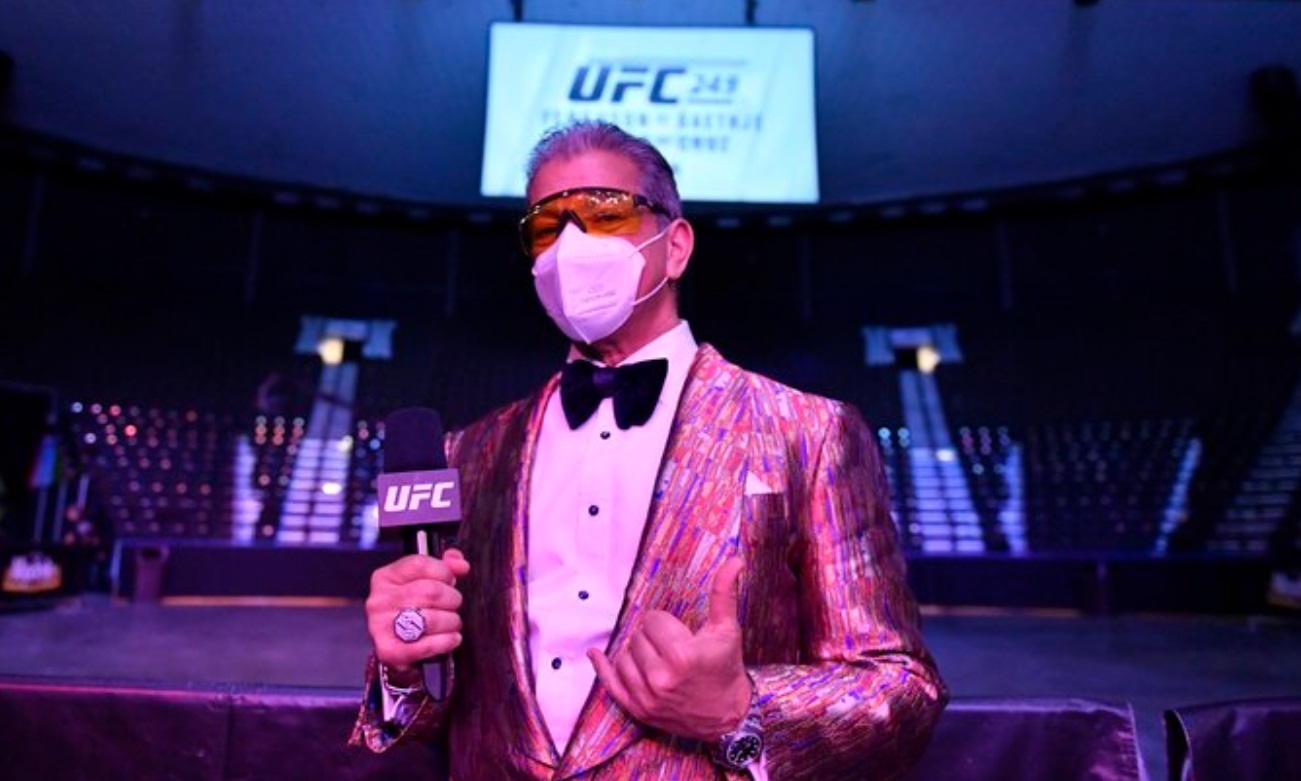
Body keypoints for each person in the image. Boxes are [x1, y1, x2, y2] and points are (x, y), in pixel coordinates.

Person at [351, 120, 947, 779]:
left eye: (603, 212)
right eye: (546, 226)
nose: (570, 243)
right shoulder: (469, 450)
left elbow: (899, 688)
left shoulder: (808, 431)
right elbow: (443, 709)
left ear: (677, 246)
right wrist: (405, 663)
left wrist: (740, 709)